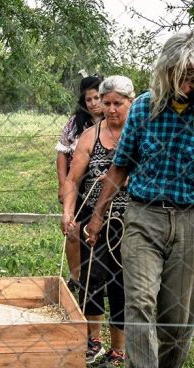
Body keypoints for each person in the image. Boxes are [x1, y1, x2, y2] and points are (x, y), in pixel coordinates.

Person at [85, 32, 194, 368]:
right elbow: (119, 168)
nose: (189, 86)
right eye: (184, 78)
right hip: (144, 217)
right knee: (139, 303)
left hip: (189, 220)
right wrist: (97, 216)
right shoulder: (145, 107)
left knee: (177, 317)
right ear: (168, 73)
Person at [62, 76, 135, 365]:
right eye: (107, 103)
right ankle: (94, 340)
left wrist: (124, 179)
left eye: (119, 103)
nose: (112, 109)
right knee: (92, 278)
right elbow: (72, 179)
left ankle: (119, 348)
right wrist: (68, 211)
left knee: (122, 284)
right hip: (96, 221)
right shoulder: (90, 136)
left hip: (132, 221)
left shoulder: (139, 133)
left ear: (131, 102)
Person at [55, 75, 103, 291]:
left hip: (105, 185)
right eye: (89, 99)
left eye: (97, 98)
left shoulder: (115, 120)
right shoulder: (76, 123)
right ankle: (76, 278)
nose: (94, 103)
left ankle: (99, 278)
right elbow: (62, 153)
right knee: (73, 229)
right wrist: (63, 185)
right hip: (79, 184)